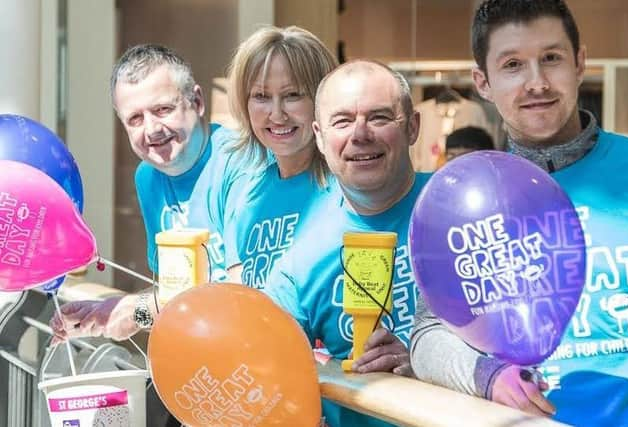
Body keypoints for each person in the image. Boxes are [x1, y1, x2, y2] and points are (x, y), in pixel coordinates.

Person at [410, 1, 628, 425]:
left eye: (551, 58)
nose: (537, 83)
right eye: (513, 64)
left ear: (580, 63)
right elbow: (427, 335)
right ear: (483, 81)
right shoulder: (466, 202)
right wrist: (487, 376)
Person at [264, 60, 430, 427]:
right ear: (320, 137)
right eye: (342, 122)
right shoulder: (303, 254)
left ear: (413, 127)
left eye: (380, 117)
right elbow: (260, 363)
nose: (360, 134)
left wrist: (429, 362)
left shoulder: (460, 205)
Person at [50, 44, 243, 342]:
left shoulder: (239, 161)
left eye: (163, 109)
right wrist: (108, 313)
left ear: (197, 101)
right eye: (135, 119)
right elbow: (171, 296)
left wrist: (137, 311)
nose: (152, 130)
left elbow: (242, 294)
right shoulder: (148, 176)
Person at [223, 26, 338, 288]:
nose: (277, 115)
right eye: (261, 96)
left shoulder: (349, 193)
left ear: (323, 99)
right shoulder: (247, 196)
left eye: (292, 95)